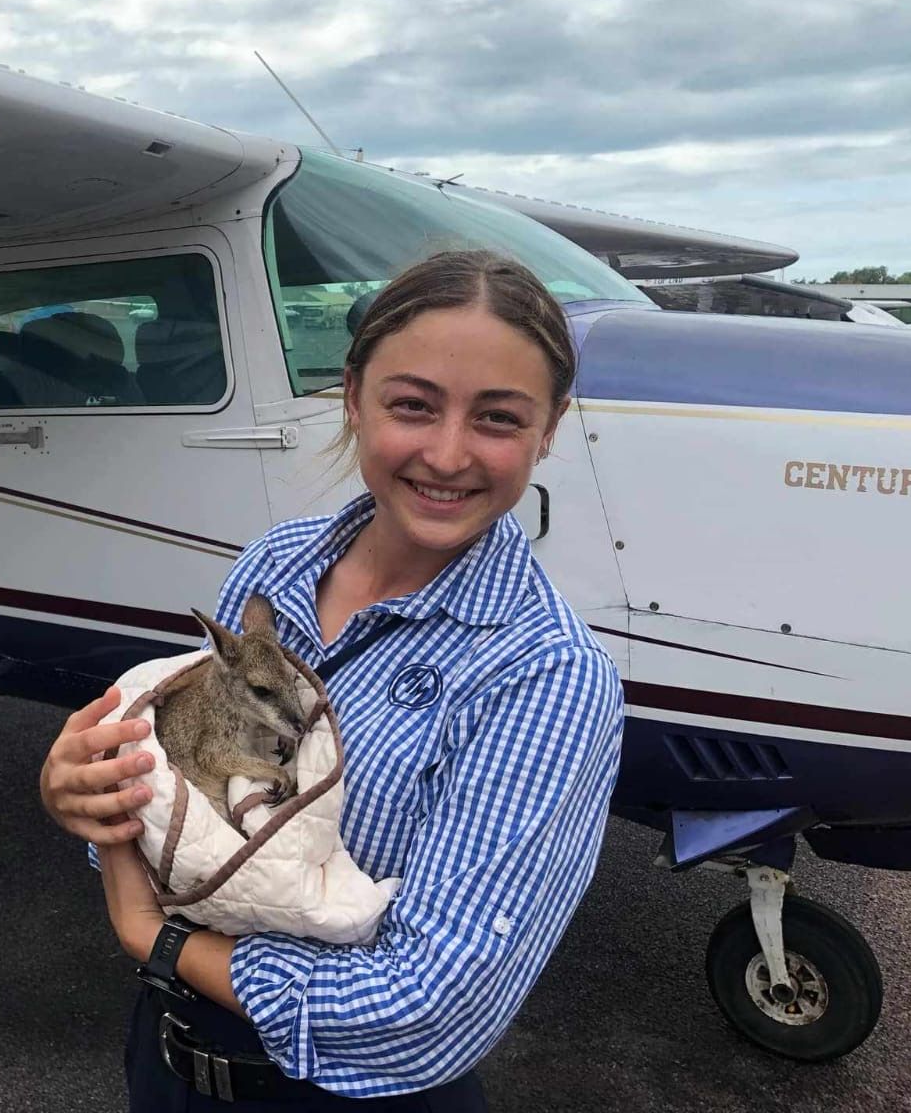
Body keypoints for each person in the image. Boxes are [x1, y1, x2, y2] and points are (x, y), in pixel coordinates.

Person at [39, 249, 625, 1110]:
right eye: (412, 406)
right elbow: (181, 786)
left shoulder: (545, 676)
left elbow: (431, 1005)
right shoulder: (275, 569)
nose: (448, 453)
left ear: (550, 428)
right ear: (352, 398)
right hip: (167, 1059)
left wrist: (155, 940)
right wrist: (88, 795)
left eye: (498, 418)